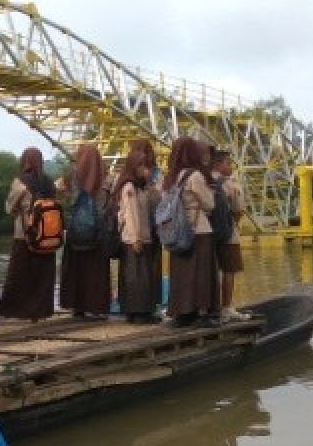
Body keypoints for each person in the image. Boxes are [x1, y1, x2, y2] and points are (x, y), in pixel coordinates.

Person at [162, 137, 220, 328]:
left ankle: (182, 313)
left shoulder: (170, 177)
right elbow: (209, 204)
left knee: (181, 274)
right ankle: (203, 313)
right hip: (198, 229)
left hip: (177, 231)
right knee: (202, 273)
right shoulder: (194, 176)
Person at [0, 147, 58, 321]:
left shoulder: (20, 182)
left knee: (20, 274)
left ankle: (17, 311)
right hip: (48, 236)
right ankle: (42, 311)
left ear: (25, 161)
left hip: (25, 235)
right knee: (43, 276)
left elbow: (9, 208)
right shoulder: (49, 182)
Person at [58, 144, 111, 320]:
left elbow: (68, 200)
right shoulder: (105, 178)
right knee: (96, 269)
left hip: (76, 231)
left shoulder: (74, 177)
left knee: (76, 269)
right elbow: (107, 206)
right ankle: (96, 306)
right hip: (97, 232)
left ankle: (77, 307)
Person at [115, 149, 159, 324]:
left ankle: (139, 311)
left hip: (142, 236)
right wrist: (135, 238)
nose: (144, 169)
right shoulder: (129, 187)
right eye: (140, 165)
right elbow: (130, 214)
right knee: (137, 277)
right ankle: (138, 312)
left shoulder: (141, 187)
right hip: (135, 238)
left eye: (145, 165)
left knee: (140, 276)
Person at [212, 150, 251, 322]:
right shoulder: (229, 183)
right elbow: (239, 209)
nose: (231, 166)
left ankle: (211, 307)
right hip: (228, 235)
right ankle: (226, 307)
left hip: (208, 235)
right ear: (218, 164)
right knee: (229, 270)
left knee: (211, 271)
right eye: (228, 163)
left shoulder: (204, 179)